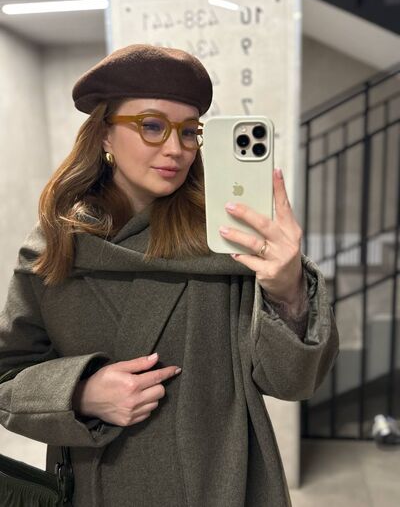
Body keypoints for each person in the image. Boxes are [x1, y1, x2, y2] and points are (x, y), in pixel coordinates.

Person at [0, 44, 339, 507]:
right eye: (152, 126)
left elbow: (291, 382)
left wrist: (289, 293)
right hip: (99, 484)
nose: (176, 149)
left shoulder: (228, 242)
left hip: (222, 484)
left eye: (189, 131)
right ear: (104, 134)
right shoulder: (55, 246)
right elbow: (8, 377)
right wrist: (78, 393)